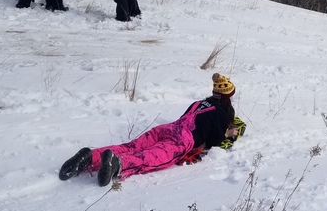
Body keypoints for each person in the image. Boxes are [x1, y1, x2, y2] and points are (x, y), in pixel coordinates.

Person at [59, 73, 241, 186]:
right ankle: (117, 164)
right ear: (228, 98)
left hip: (167, 128)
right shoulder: (221, 113)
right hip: (182, 140)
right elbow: (214, 141)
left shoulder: (199, 103)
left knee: (131, 146)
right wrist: (228, 133)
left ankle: (90, 156)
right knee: (152, 157)